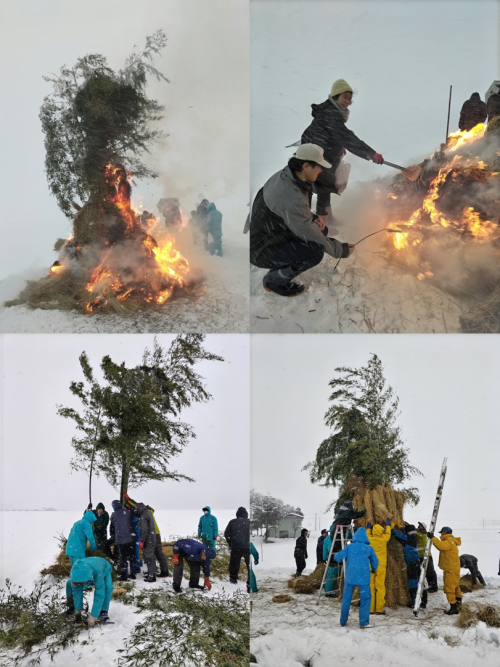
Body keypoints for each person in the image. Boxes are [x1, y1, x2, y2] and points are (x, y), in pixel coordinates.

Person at [250, 144, 354, 297]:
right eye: (318, 166)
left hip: (273, 230)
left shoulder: (289, 175)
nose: (321, 170)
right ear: (306, 165)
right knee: (314, 252)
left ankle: (281, 267)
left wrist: (312, 217)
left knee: (321, 230)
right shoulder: (291, 193)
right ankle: (274, 280)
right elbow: (307, 227)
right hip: (261, 249)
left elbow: (290, 210)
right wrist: (340, 249)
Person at [301, 79, 383, 225]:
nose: (347, 101)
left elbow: (335, 133)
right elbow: (346, 136)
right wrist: (371, 153)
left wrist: (338, 144)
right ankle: (322, 227)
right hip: (317, 156)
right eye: (345, 97)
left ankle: (329, 219)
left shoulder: (331, 111)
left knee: (326, 186)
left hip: (323, 153)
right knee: (323, 187)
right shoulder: (330, 113)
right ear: (335, 96)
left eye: (350, 98)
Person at [334, 526, 378, 629]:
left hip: (350, 577)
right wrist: (374, 569)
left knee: (346, 599)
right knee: (366, 599)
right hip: (364, 577)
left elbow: (338, 557)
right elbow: (375, 562)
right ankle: (363, 623)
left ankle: (343, 622)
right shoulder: (368, 548)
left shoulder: (349, 547)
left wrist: (341, 556)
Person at [123, 494, 170, 580]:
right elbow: (137, 508)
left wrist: (142, 540)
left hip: (152, 535)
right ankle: (157, 572)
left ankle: (155, 574)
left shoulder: (145, 515)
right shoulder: (148, 513)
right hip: (154, 534)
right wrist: (130, 503)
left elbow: (144, 527)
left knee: (153, 554)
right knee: (156, 553)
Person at [66, 557, 113, 628]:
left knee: (108, 588)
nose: (79, 585)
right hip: (85, 573)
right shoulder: (75, 571)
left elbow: (99, 594)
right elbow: (76, 592)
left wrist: (93, 616)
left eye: (81, 584)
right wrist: (77, 610)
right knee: (68, 584)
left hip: (103, 567)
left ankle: (104, 611)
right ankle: (72, 607)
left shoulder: (97, 572)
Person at [428, 526, 462, 615]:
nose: (441, 534)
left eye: (441, 532)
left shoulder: (449, 541)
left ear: (445, 532)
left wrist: (432, 538)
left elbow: (441, 546)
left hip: (450, 569)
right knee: (455, 586)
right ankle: (458, 604)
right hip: (454, 568)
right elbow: (441, 546)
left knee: (449, 588)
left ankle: (454, 607)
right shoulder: (451, 540)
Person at [392, 524, 428, 610]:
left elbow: (397, 535)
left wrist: (391, 528)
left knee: (412, 582)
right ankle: (423, 601)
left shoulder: (406, 538)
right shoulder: (413, 536)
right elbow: (405, 533)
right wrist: (400, 526)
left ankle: (414, 602)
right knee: (420, 580)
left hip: (412, 563)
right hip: (417, 561)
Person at [366, 520, 392, 615]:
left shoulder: (369, 539)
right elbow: (388, 534)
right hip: (381, 565)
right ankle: (379, 609)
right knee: (380, 587)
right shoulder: (383, 539)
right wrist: (388, 526)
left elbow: (367, 534)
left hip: (371, 566)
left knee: (371, 587)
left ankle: (371, 609)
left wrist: (368, 528)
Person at [110, 500, 136, 582]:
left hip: (121, 540)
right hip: (130, 538)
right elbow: (132, 518)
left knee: (123, 558)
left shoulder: (113, 515)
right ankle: (133, 574)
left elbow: (112, 522)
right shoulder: (128, 512)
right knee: (132, 557)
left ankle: (124, 576)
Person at [224, 507, 250, 587]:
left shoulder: (232, 522)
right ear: (246, 514)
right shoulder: (249, 522)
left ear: (237, 514)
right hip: (248, 547)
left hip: (236, 546)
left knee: (234, 563)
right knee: (249, 564)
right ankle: (250, 581)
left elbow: (226, 534)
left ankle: (233, 579)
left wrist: (231, 544)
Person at [416, 522, 438, 592]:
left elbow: (413, 532)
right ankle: (431, 586)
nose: (419, 526)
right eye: (419, 525)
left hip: (427, 556)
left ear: (423, 527)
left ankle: (434, 587)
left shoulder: (423, 534)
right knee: (423, 571)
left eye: (421, 525)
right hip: (421, 556)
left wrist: (407, 526)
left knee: (430, 572)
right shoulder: (419, 533)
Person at [322, 527, 339, 598]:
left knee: (330, 573)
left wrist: (325, 558)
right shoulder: (338, 537)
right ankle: (328, 592)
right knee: (332, 574)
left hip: (330, 556)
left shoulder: (326, 539)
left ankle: (326, 587)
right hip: (335, 556)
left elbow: (324, 550)